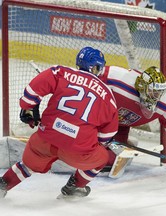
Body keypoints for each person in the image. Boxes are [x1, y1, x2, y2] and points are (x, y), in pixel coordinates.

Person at [0, 47, 119, 199]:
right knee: (102, 158)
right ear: (96, 67)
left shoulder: (60, 72)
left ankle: (4, 184)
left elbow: (30, 95)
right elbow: (105, 137)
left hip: (44, 140)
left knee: (28, 164)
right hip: (78, 150)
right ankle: (74, 188)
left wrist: (30, 109)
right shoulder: (108, 95)